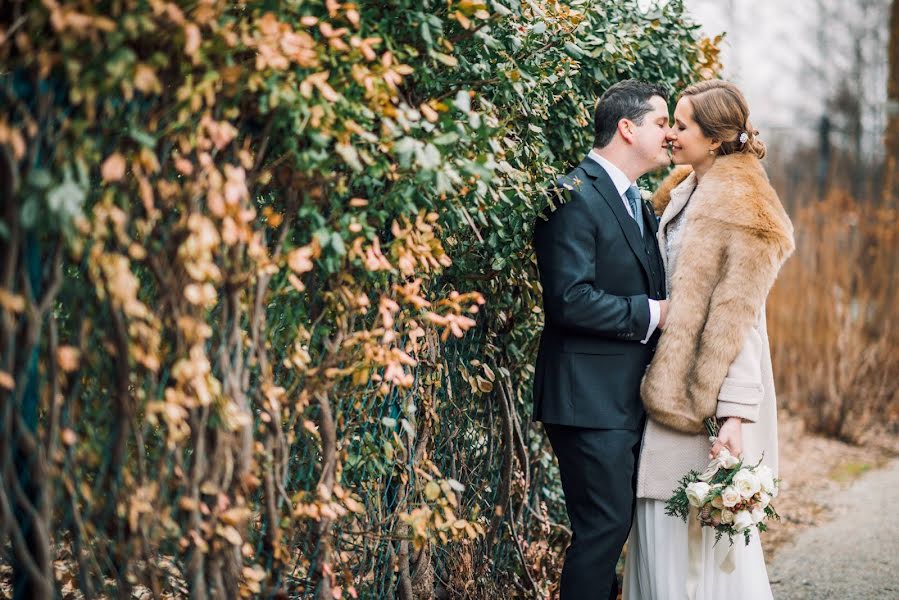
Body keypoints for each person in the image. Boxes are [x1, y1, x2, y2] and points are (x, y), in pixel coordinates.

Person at [623, 80, 795, 599]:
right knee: (661, 536)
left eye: (680, 125)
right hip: (669, 393)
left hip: (703, 409)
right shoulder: (688, 190)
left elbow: (741, 323)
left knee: (691, 549)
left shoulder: (740, 206)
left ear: (716, 139)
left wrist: (736, 417)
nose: (670, 134)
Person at [532, 79, 672, 600]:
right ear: (627, 127)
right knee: (603, 531)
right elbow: (569, 299)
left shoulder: (639, 202)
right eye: (662, 122)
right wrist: (656, 313)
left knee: (613, 530)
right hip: (585, 399)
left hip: (622, 399)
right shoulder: (572, 195)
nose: (670, 135)